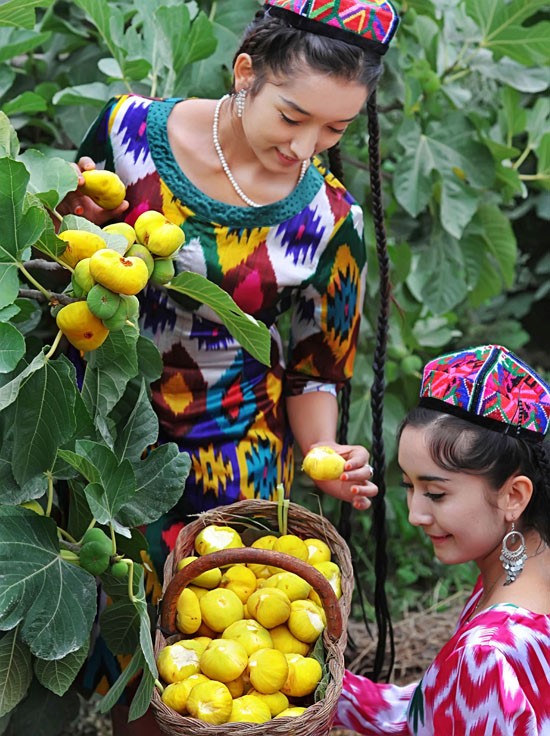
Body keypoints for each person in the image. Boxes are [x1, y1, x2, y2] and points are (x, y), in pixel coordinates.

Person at [59, 1, 400, 732]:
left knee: (215, 672)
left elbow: (315, 370)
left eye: (335, 130)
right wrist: (71, 224)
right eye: (292, 117)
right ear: (245, 74)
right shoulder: (128, 138)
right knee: (119, 661)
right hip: (101, 449)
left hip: (231, 471)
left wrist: (320, 452)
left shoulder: (331, 223)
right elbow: (64, 264)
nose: (306, 146)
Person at [335, 343, 550, 735]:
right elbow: (436, 706)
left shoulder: (487, 654)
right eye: (408, 486)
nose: (416, 514)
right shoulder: (524, 580)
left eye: (435, 494)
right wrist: (328, 690)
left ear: (514, 496)